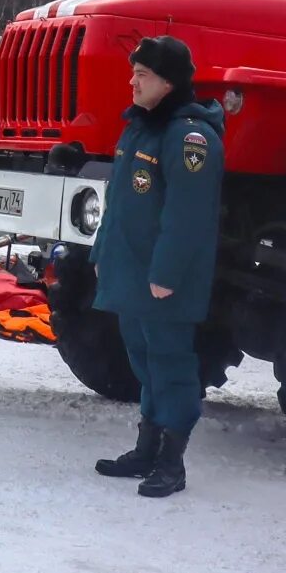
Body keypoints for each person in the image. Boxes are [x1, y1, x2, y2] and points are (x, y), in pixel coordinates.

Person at [90, 35, 225, 499]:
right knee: (144, 360)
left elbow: (187, 218)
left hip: (163, 281)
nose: (132, 82)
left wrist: (166, 275)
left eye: (141, 75)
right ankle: (147, 450)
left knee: (170, 364)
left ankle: (172, 461)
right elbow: (119, 204)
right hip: (130, 274)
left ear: (167, 83)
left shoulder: (190, 138)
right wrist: (100, 255)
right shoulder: (141, 128)